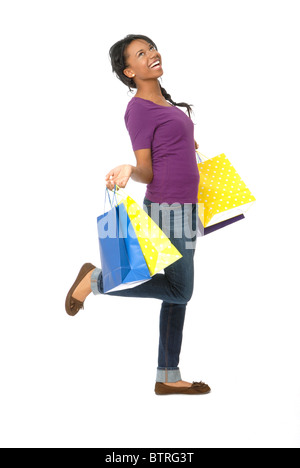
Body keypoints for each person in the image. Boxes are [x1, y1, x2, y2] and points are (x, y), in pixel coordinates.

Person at [65, 34, 211, 396]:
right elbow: (148, 169)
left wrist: (184, 144)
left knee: (175, 294)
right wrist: (131, 169)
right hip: (167, 207)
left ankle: (167, 376)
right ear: (129, 71)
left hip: (187, 207)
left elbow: (171, 152)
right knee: (180, 289)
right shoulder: (139, 109)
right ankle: (95, 282)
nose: (152, 54)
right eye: (141, 53)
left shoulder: (166, 105)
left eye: (152, 48)